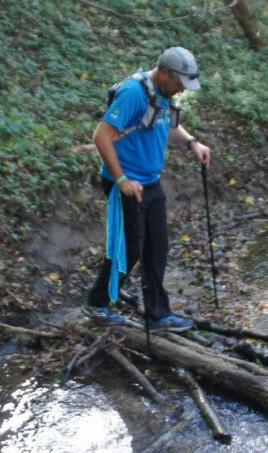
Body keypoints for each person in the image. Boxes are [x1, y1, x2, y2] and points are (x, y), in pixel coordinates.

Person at [82, 47, 212, 332]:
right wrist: (121, 179)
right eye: (179, 83)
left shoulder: (162, 94)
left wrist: (193, 143)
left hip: (150, 181)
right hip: (127, 184)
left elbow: (168, 126)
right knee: (130, 247)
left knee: (157, 246)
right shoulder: (133, 93)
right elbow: (101, 136)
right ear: (164, 73)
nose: (180, 90)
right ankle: (96, 303)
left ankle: (157, 315)